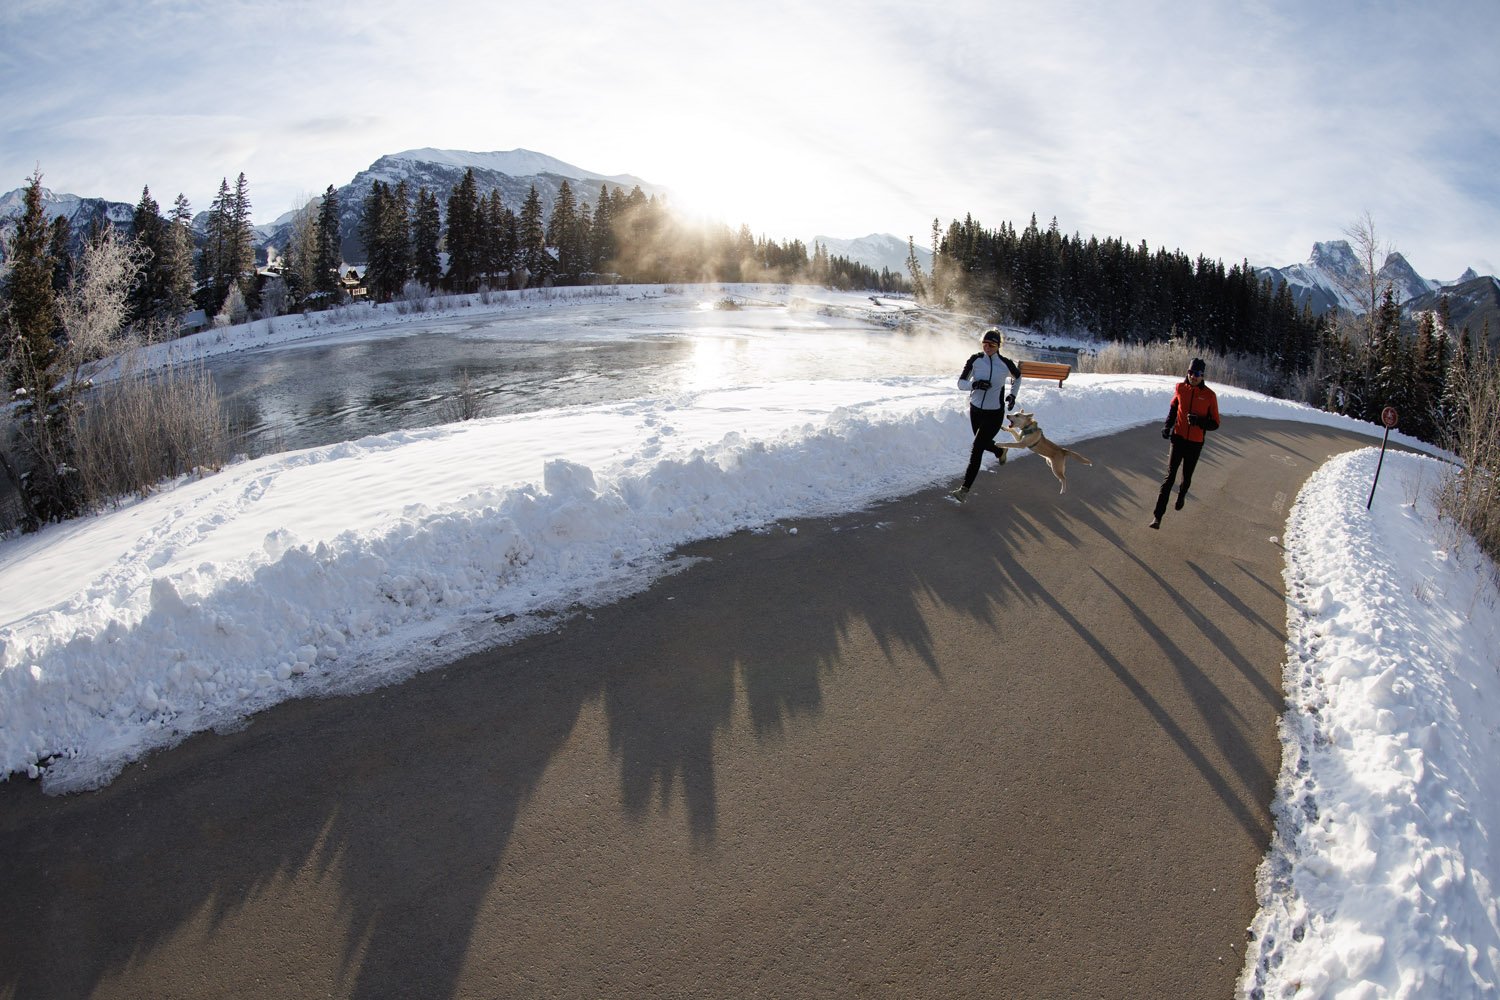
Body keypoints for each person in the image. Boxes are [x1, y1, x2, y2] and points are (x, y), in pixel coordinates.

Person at [951, 328, 1022, 503]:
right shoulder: (975, 360)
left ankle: (964, 490)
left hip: (994, 414)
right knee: (982, 444)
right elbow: (961, 383)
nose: (987, 347)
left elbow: (1018, 377)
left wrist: (1012, 395)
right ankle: (1000, 450)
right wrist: (975, 384)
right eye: (984, 343)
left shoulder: (1005, 363)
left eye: (991, 344)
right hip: (975, 411)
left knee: (977, 448)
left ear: (998, 346)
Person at [1150, 357, 1220, 529]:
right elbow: (1173, 409)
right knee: (1169, 477)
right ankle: (1157, 517)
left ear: (1202, 376)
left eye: (1197, 374)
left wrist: (1199, 422)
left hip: (1195, 443)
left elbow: (1215, 423)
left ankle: (1182, 495)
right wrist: (1167, 427)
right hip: (1178, 439)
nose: (1193, 376)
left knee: (1186, 477)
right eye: (1191, 372)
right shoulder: (1180, 388)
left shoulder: (1209, 396)